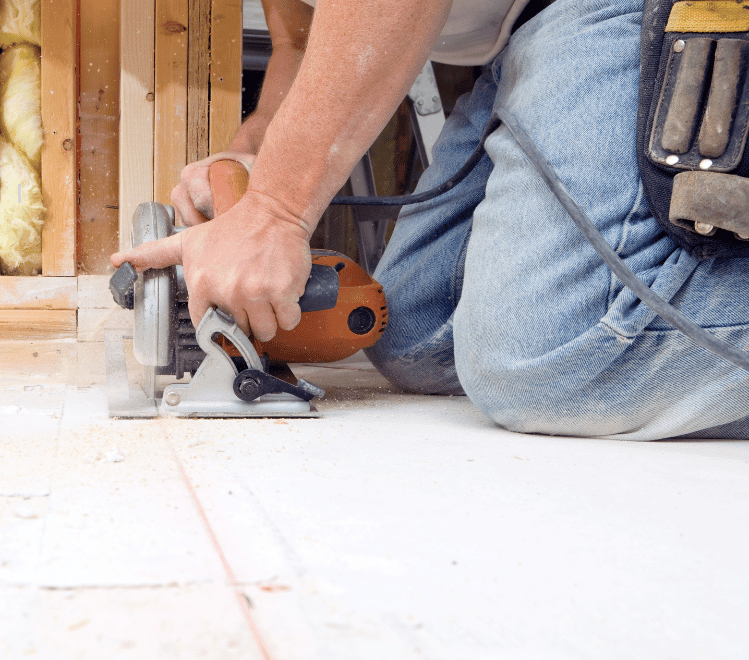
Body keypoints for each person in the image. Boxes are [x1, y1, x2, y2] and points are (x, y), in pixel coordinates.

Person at [111, 0, 749, 440]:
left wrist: (275, 209)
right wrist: (251, 158)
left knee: (541, 364)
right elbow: (301, 40)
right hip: (528, 33)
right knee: (413, 336)